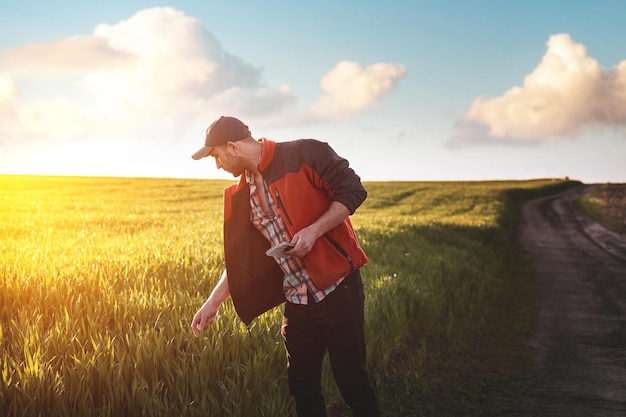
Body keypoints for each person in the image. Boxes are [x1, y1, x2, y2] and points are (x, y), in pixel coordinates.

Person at [190, 116, 380, 417]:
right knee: (302, 389)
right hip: (298, 302)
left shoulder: (304, 153)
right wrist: (212, 303)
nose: (217, 165)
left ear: (232, 146)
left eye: (216, 156)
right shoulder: (240, 197)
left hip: (339, 291)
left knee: (352, 382)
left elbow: (353, 190)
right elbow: (241, 263)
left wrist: (314, 230)